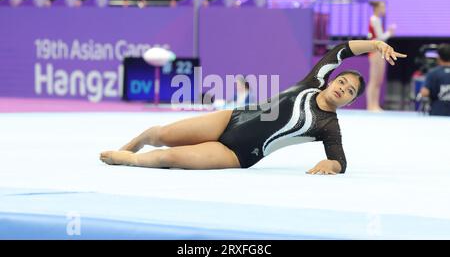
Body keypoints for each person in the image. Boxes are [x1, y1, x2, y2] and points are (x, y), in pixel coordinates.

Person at [100, 40, 407, 175]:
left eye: (350, 92)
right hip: (230, 118)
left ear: (351, 101)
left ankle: (129, 160)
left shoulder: (328, 125)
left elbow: (339, 158)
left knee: (170, 157)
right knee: (160, 133)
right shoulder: (314, 80)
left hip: (240, 154)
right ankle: (132, 145)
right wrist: (376, 44)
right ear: (331, 81)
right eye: (342, 83)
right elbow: (342, 50)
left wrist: (333, 166)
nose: (342, 89)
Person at [366, 1, 396, 111]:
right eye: (382, 7)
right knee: (374, 79)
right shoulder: (374, 19)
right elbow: (380, 37)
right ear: (377, 8)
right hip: (375, 51)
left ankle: (375, 104)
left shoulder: (377, 20)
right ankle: (371, 105)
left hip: (380, 51)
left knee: (378, 80)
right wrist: (390, 32)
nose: (384, 10)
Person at [419, 43, 450, 116]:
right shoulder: (433, 73)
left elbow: (424, 93)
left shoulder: (433, 73)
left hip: (438, 114)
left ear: (438, 57)